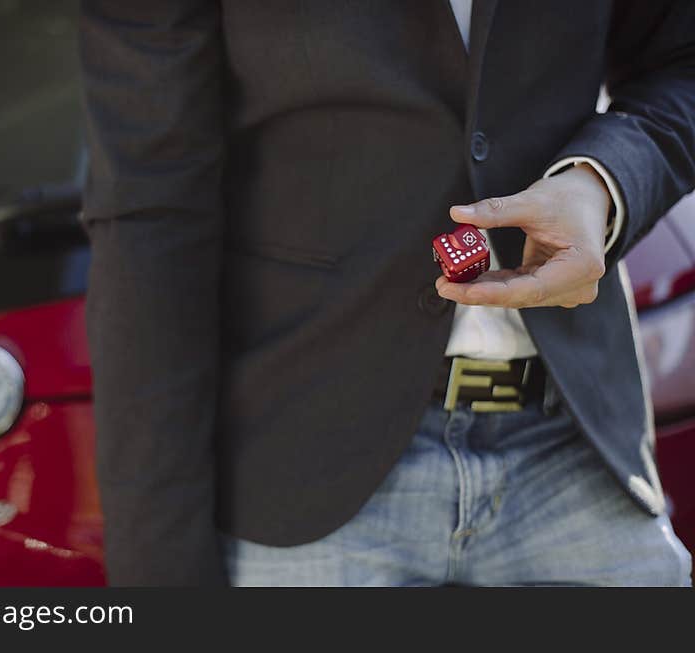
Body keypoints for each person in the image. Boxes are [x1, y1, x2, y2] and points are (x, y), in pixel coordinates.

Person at [78, 0, 695, 586]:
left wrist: (603, 183)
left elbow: (682, 64)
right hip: (305, 466)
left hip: (575, 446)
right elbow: (150, 211)